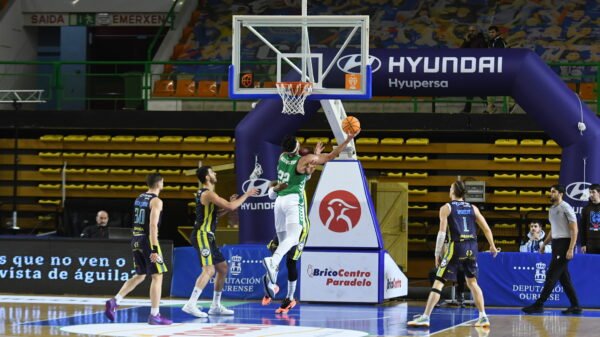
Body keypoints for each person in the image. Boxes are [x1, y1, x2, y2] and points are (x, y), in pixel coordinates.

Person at [262, 131, 358, 313]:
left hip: (279, 202)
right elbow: (330, 157)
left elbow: (305, 173)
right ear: (297, 146)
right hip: (293, 204)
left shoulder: (283, 157)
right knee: (292, 242)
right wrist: (348, 139)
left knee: (287, 254)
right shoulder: (304, 160)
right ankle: (274, 267)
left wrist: (314, 157)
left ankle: (283, 294)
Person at [408, 181, 499, 328]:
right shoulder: (473, 208)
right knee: (472, 283)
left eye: (450, 188)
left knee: (439, 281)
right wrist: (492, 246)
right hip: (472, 246)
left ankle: (425, 317)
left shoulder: (447, 208)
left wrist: (437, 253)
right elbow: (487, 229)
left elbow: (441, 233)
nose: (449, 190)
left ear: (453, 191)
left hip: (456, 247)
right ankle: (483, 316)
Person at [181, 166, 258, 318]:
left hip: (208, 236)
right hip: (202, 235)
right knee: (209, 270)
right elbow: (231, 207)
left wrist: (230, 205)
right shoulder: (208, 193)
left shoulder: (207, 194)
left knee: (222, 268)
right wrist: (247, 194)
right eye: (212, 172)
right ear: (207, 177)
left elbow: (220, 212)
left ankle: (215, 305)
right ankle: (191, 304)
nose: (215, 173)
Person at [105, 173, 172, 325]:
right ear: (160, 183)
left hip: (135, 238)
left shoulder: (139, 198)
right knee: (157, 276)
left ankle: (115, 300)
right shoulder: (156, 201)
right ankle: (155, 315)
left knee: (140, 275)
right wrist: (154, 249)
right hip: (148, 240)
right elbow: (153, 225)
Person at [522, 184, 581, 315]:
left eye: (553, 192)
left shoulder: (566, 208)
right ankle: (576, 306)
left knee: (551, 276)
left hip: (565, 244)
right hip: (556, 244)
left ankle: (539, 304)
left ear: (561, 194)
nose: (551, 194)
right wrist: (544, 244)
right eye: (550, 192)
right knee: (564, 279)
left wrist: (571, 248)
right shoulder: (552, 209)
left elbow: (574, 230)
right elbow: (553, 230)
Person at [486, 25, 515, 113]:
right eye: (490, 32)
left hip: (502, 68)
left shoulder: (500, 42)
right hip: (494, 68)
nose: (491, 34)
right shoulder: (491, 42)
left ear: (497, 33)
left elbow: (501, 56)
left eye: (493, 32)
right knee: (489, 87)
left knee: (503, 87)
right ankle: (491, 106)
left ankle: (510, 104)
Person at [459, 25, 487, 113]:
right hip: (470, 68)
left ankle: (489, 104)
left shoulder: (481, 40)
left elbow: (483, 53)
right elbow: (461, 51)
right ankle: (468, 108)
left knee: (475, 88)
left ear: (477, 31)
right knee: (470, 88)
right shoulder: (469, 40)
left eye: (473, 31)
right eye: (470, 31)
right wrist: (466, 41)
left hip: (478, 68)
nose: (471, 32)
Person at [580, 184, 600, 254]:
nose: (591, 194)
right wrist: (583, 244)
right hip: (590, 244)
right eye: (590, 192)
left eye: (593, 192)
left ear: (599, 193)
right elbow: (582, 228)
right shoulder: (586, 209)